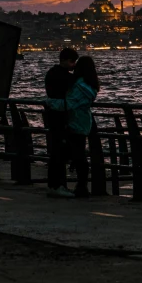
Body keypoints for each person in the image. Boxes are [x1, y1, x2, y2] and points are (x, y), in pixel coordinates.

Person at [46, 55, 100, 198]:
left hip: (74, 122)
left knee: (72, 155)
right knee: (79, 154)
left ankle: (73, 186)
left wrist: (50, 102)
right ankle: (81, 186)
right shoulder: (90, 85)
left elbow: (69, 103)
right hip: (84, 122)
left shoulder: (79, 85)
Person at [44, 46, 78, 198]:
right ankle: (57, 185)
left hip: (52, 115)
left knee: (55, 151)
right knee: (59, 152)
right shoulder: (65, 77)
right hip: (60, 117)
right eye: (72, 62)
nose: (73, 65)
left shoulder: (51, 73)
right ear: (64, 60)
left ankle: (54, 185)